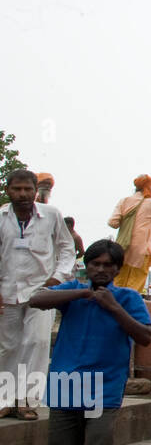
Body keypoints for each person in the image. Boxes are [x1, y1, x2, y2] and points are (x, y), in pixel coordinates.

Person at [29, 239, 151, 445]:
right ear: (86, 266)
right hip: (64, 389)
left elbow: (144, 335)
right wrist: (82, 293)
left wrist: (112, 306)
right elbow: (36, 299)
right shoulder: (73, 293)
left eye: (106, 265)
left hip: (103, 390)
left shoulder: (127, 297)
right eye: (94, 264)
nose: (100, 270)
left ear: (117, 269)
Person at [0, 169, 76, 419]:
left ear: (35, 191)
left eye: (27, 189)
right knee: (7, 347)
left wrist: (57, 279)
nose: (22, 194)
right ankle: (5, 399)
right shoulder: (1, 216)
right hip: (7, 291)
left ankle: (26, 401)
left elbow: (67, 248)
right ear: (8, 190)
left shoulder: (51, 215)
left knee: (37, 342)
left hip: (41, 291)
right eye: (17, 189)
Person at [106, 175, 151, 292]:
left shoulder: (124, 201)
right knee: (133, 288)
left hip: (121, 249)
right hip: (141, 251)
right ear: (149, 187)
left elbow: (113, 223)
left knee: (117, 284)